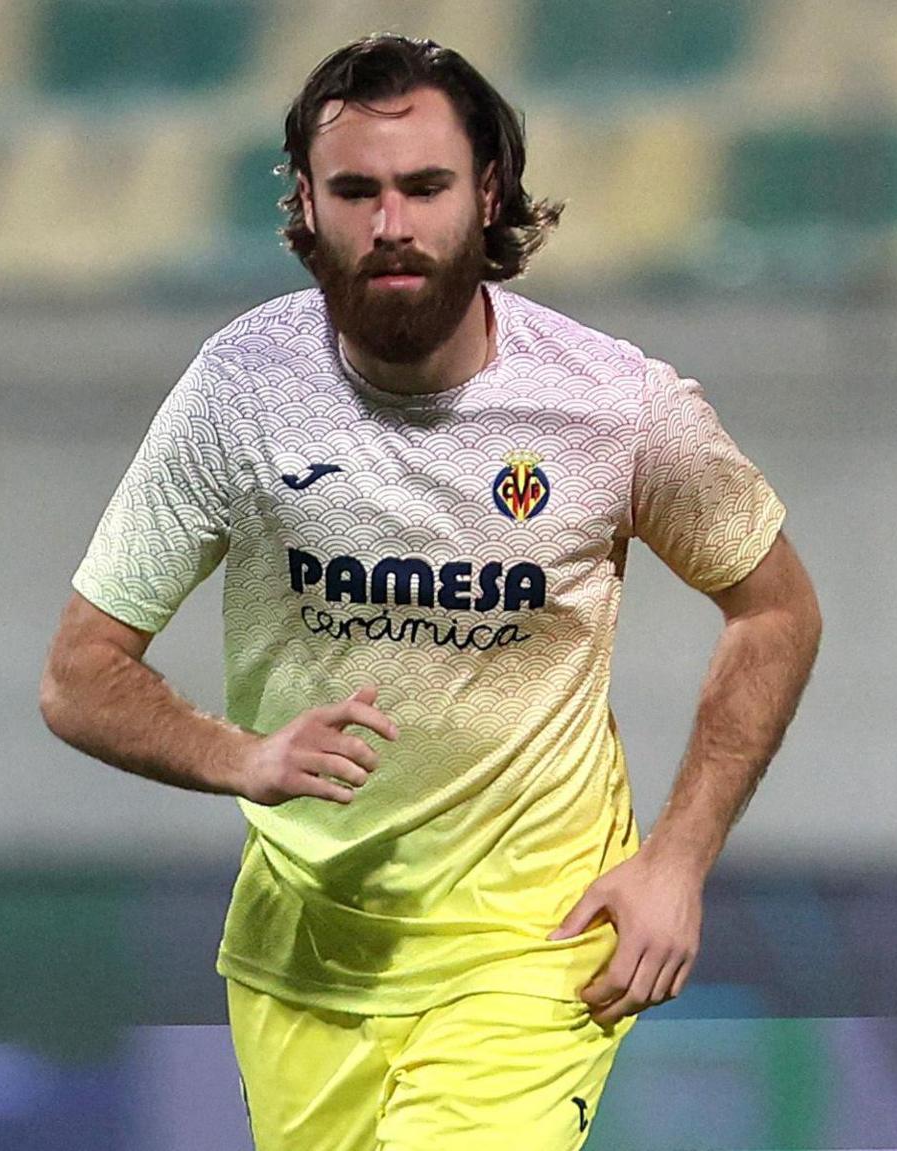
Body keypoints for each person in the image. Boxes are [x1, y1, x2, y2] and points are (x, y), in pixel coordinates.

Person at [40, 34, 822, 1150]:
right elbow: (78, 673)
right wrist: (241, 756)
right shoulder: (238, 392)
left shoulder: (613, 406)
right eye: (355, 190)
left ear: (486, 191)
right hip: (301, 954)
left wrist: (675, 861)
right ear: (305, 204)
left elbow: (775, 608)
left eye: (423, 187)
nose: (390, 223)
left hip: (533, 943)